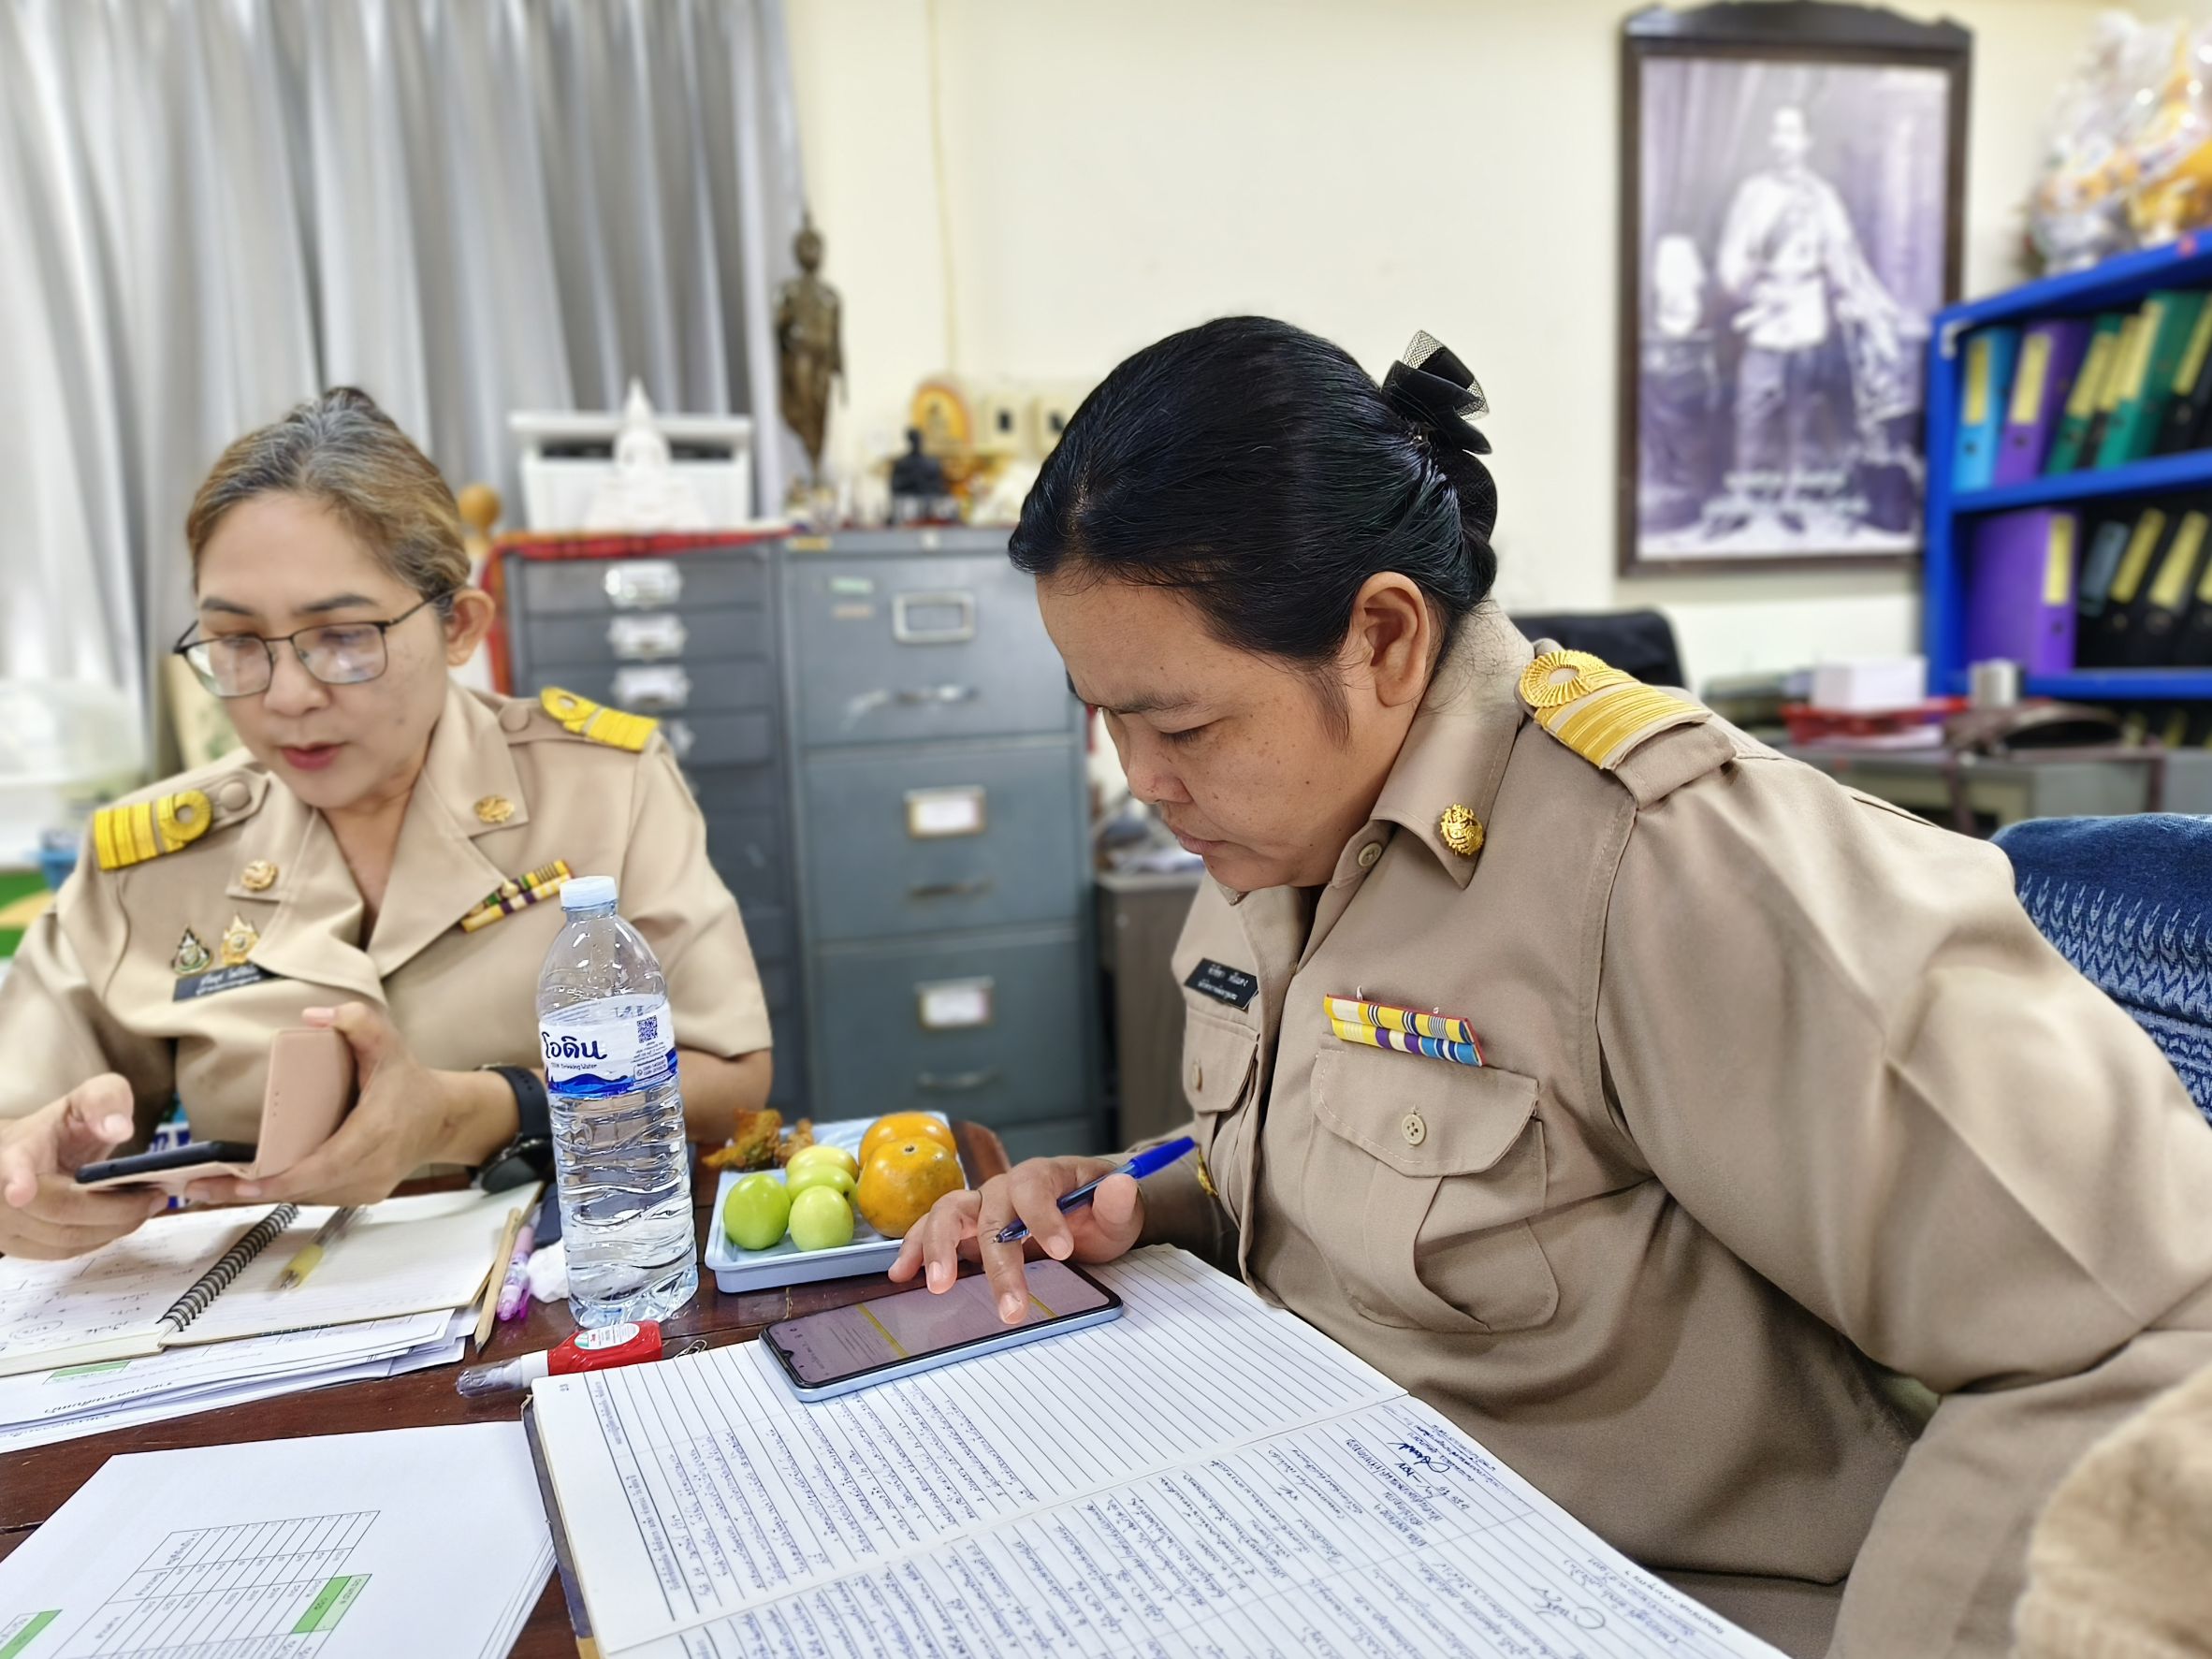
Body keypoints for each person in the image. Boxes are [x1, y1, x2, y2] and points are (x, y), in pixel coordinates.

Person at [891, 317, 2212, 1656]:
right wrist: (1141, 1194)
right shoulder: (1273, 829)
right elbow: (1379, 1177)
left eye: (1178, 725)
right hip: (1349, 1547)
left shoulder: (1664, 863)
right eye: (1105, 721)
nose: (1146, 783)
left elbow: (2144, 1328)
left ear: (1386, 641)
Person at [0, 389, 773, 1259]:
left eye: (342, 636)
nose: (288, 695)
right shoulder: (154, 858)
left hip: (570, 1284)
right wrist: (27, 1182)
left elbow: (728, 1080)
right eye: (239, 643)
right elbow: (17, 1122)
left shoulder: (604, 789)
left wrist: (466, 1112)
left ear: (458, 625)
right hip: (260, 1326)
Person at [1711, 105, 1907, 532]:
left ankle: (1792, 493)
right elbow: (1731, 254)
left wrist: (1852, 297)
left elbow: (1841, 255)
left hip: (1806, 307)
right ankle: (1743, 494)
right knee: (1752, 404)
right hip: (1766, 307)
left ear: (1806, 142)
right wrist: (1747, 290)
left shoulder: (1822, 196)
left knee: (1798, 406)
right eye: (1777, 133)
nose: (1783, 143)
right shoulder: (1753, 193)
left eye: (1792, 133)